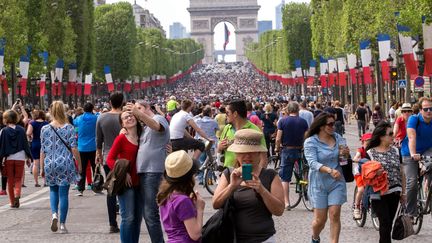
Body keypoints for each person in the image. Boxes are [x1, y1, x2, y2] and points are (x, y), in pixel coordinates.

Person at [212, 129, 284, 242]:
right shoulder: (229, 174)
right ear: (236, 154)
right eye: (242, 152)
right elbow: (216, 204)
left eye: (252, 152)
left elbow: (279, 211)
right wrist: (231, 187)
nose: (247, 156)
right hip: (234, 238)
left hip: (263, 239)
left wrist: (262, 190)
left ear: (259, 153)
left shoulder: (270, 175)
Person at [128, 100, 170, 243]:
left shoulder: (158, 118)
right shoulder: (145, 126)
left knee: (150, 212)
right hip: (144, 170)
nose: (136, 111)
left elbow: (157, 127)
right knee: (146, 213)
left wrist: (137, 113)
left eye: (139, 108)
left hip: (153, 170)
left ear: (147, 108)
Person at [303, 113, 349, 243]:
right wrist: (329, 170)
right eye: (330, 124)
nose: (333, 126)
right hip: (319, 183)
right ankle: (315, 237)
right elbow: (312, 163)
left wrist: (346, 155)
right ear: (321, 126)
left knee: (334, 214)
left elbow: (344, 161)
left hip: (336, 182)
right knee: (320, 221)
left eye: (334, 123)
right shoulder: (310, 141)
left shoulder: (339, 138)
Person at [40, 101, 82, 233]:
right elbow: (74, 148)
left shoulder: (45, 129)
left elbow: (43, 150)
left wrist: (42, 167)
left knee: (53, 191)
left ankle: (54, 215)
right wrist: (79, 164)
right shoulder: (69, 128)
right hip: (65, 163)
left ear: (51, 112)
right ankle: (63, 224)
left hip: (50, 163)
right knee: (63, 194)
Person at [365, 122, 406, 243]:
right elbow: (365, 175)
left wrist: (403, 192)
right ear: (381, 137)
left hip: (395, 192)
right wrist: (374, 173)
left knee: (388, 224)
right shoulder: (370, 153)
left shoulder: (396, 151)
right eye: (390, 134)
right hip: (378, 193)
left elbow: (402, 172)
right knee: (385, 222)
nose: (393, 136)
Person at [106, 110, 142, 243]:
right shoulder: (121, 138)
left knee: (138, 218)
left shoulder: (142, 135)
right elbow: (109, 159)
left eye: (131, 115)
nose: (129, 118)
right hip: (126, 184)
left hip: (141, 182)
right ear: (122, 124)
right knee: (128, 218)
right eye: (125, 118)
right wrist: (123, 172)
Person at [157, 150, 205, 242]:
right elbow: (195, 234)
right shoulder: (183, 201)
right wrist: (200, 208)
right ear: (189, 176)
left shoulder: (167, 195)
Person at [96, 92, 123, 233]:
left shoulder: (102, 118)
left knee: (111, 190)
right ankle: (126, 219)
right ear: (122, 102)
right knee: (125, 190)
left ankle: (112, 223)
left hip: (108, 158)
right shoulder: (125, 117)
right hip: (125, 159)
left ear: (110, 102)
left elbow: (98, 141)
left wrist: (99, 156)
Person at [401, 98, 432, 219]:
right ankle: (411, 212)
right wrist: (413, 154)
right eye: (426, 109)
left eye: (431, 109)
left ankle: (427, 185)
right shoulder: (414, 119)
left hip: (427, 150)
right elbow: (411, 137)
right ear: (420, 110)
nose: (429, 111)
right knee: (412, 182)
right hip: (409, 152)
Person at [275, 102, 308, 210]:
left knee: (285, 178)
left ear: (288, 110)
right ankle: (305, 186)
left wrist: (277, 148)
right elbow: (306, 137)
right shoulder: (303, 122)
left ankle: (287, 202)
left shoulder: (282, 121)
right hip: (299, 150)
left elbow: (278, 138)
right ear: (298, 110)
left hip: (287, 150)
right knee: (304, 171)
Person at [218, 100, 267, 168]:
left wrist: (257, 176)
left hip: (247, 171)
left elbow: (263, 157)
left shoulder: (254, 129)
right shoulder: (227, 128)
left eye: (227, 113)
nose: (225, 115)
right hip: (228, 171)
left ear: (235, 114)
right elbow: (219, 148)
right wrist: (220, 147)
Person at [0, 110, 33, 208]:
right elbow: (25, 144)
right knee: (18, 178)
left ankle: (12, 202)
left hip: (8, 158)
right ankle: (17, 194)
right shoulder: (22, 130)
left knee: (10, 180)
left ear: (5, 119)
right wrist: (28, 157)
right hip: (20, 157)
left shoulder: (3, 131)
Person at [73, 102, 98, 196]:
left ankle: (80, 189)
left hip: (82, 147)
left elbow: (73, 123)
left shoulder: (79, 119)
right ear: (92, 109)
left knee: (82, 169)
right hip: (93, 146)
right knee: (95, 167)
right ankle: (96, 187)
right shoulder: (96, 118)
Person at [352, 133, 372, 220]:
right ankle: (356, 207)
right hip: (359, 172)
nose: (368, 144)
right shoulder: (360, 150)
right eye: (367, 142)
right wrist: (358, 160)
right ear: (363, 142)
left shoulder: (373, 151)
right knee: (361, 189)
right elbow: (356, 157)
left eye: (370, 142)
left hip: (370, 172)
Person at [26, 110, 49, 187]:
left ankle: (36, 182)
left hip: (35, 142)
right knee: (45, 162)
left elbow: (28, 133)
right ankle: (45, 181)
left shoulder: (32, 123)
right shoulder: (46, 123)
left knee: (36, 163)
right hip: (45, 143)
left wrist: (31, 136)